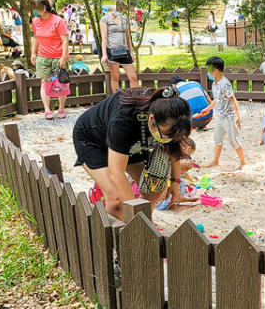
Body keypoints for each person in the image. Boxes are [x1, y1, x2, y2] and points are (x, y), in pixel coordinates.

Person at [73, 86, 192, 222]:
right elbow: (116, 171)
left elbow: (174, 151)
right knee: (116, 199)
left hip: (130, 142)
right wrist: (135, 215)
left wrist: (175, 186)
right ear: (151, 119)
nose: (167, 140)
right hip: (93, 139)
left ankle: (143, 222)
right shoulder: (124, 118)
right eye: (164, 135)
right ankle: (123, 233)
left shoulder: (173, 119)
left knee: (154, 189)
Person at [198, 56, 247, 168]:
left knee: (232, 139)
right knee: (217, 138)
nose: (208, 72)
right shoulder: (215, 83)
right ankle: (215, 161)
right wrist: (207, 109)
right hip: (220, 117)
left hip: (228, 117)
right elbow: (217, 99)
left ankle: (243, 162)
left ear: (215, 71)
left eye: (209, 69)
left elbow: (233, 100)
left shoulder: (225, 84)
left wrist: (238, 117)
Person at [30, 0, 70, 120]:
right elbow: (36, 38)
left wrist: (63, 57)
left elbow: (65, 40)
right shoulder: (35, 21)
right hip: (43, 56)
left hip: (58, 56)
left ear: (45, 8)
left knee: (60, 83)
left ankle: (61, 109)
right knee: (44, 82)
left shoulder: (58, 21)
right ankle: (47, 110)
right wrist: (33, 53)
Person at [100, 0, 137, 94]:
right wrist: (104, 54)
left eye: (121, 9)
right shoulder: (105, 19)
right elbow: (104, 38)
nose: (120, 11)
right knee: (115, 77)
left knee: (133, 77)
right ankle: (118, 100)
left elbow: (128, 37)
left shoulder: (124, 19)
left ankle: (135, 99)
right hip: (112, 51)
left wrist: (131, 52)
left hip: (125, 51)